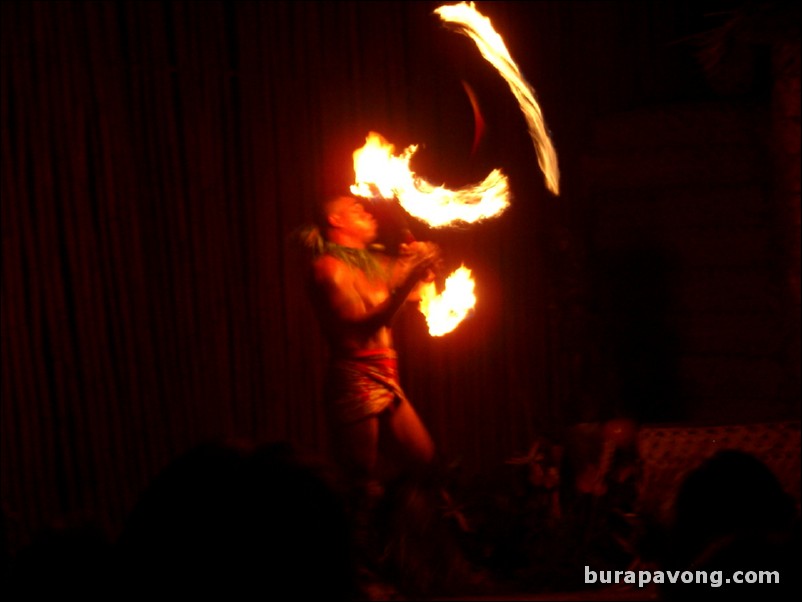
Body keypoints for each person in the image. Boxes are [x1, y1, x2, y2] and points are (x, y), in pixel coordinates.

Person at [302, 194, 440, 580]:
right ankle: (357, 577)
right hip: (354, 378)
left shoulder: (374, 264)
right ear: (334, 219)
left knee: (425, 461)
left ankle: (402, 556)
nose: (366, 212)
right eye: (354, 209)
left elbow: (415, 296)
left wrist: (424, 271)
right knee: (358, 484)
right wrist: (408, 278)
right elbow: (360, 325)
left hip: (387, 376)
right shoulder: (327, 268)